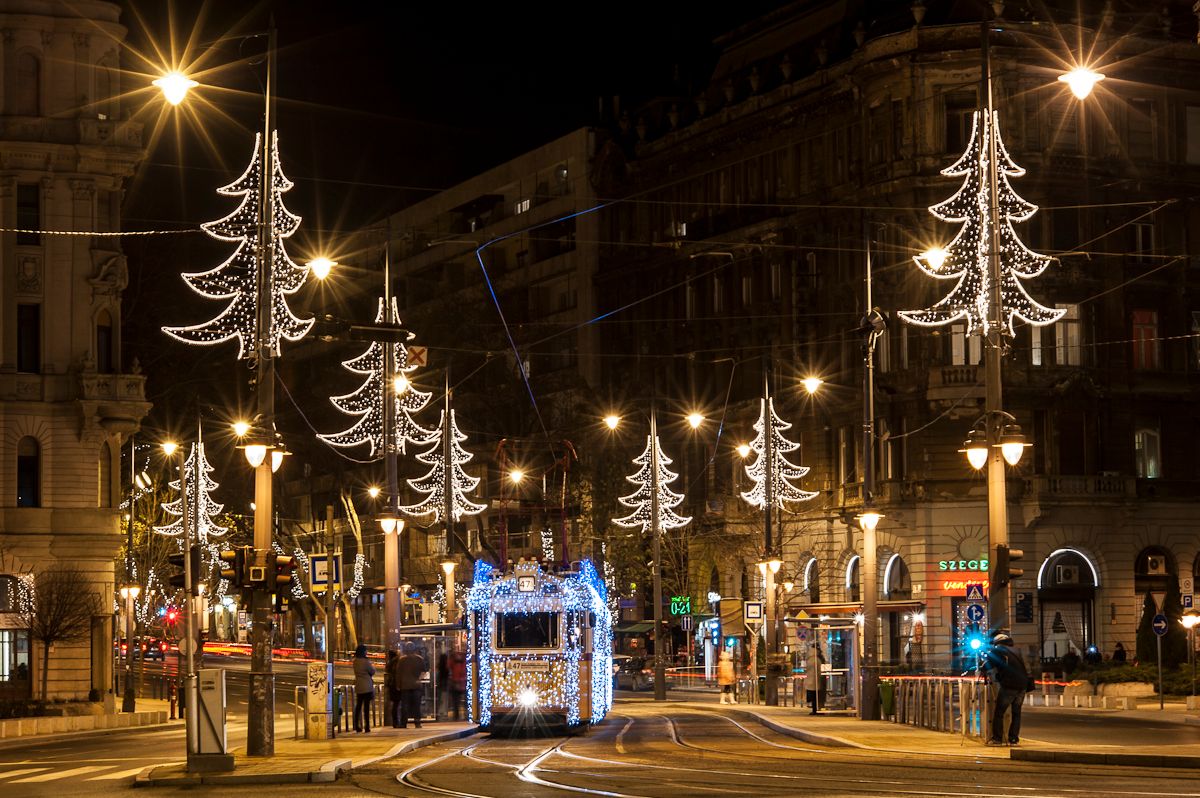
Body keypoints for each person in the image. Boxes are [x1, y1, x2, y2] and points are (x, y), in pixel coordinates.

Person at [983, 632, 1031, 746]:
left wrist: (983, 666)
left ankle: (997, 739)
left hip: (1010, 684)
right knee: (1016, 713)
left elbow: (988, 664)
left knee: (999, 712)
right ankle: (1013, 739)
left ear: (997, 643)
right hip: (1023, 685)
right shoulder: (1016, 650)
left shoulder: (998, 650)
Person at [396, 643, 425, 728]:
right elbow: (424, 672)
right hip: (416, 685)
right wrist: (419, 679)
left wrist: (398, 685)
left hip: (405, 685)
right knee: (417, 705)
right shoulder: (420, 659)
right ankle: (417, 722)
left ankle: (403, 723)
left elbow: (398, 674)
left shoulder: (402, 660)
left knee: (405, 705)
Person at [352, 644, 376, 733]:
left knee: (358, 706)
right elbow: (372, 671)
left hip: (358, 685)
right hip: (367, 686)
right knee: (366, 707)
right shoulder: (366, 662)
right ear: (363, 652)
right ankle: (367, 726)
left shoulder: (355, 661)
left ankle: (357, 725)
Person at [804, 639, 824, 715]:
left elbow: (807, 669)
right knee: (816, 697)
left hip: (810, 681)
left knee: (813, 697)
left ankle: (815, 710)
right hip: (816, 680)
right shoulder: (817, 659)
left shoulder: (810, 659)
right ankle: (817, 709)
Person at [448, 647, 467, 720]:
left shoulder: (452, 659)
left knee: (456, 701)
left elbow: (448, 667)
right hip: (463, 682)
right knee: (465, 701)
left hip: (455, 682)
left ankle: (456, 716)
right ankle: (466, 715)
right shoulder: (465, 660)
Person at [386, 649, 403, 727]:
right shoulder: (397, 662)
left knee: (395, 704)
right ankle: (397, 722)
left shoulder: (390, 663)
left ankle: (395, 722)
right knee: (398, 704)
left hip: (392, 685)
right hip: (397, 685)